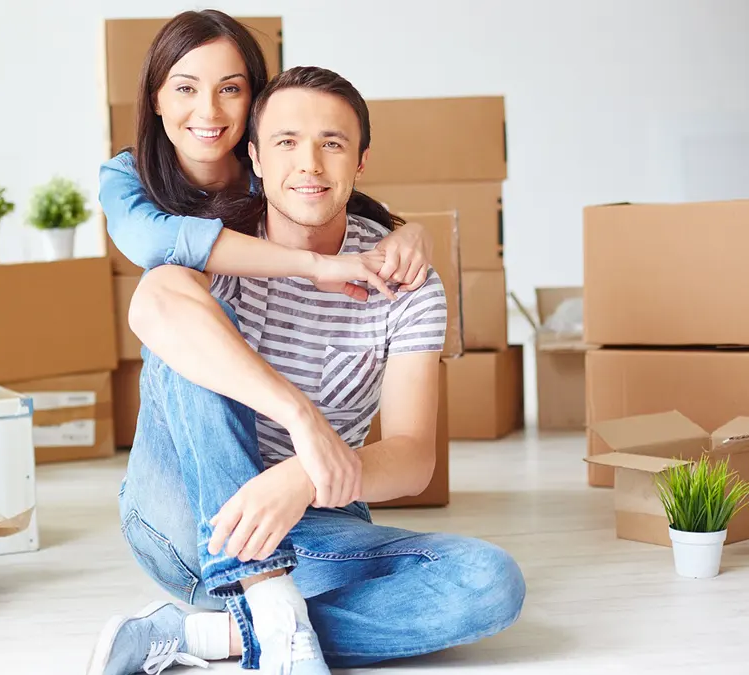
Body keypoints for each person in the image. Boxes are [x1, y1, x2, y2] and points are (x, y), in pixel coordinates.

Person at [85, 63, 526, 675]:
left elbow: (413, 459)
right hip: (185, 523)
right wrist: (302, 421)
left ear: (360, 161)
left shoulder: (404, 282)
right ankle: (261, 590)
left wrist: (297, 480)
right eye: (287, 143)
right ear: (256, 159)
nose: (310, 165)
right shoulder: (221, 247)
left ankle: (214, 635)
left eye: (332, 144)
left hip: (314, 527)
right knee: (189, 332)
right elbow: (156, 298)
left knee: (490, 582)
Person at [98, 9, 433, 302]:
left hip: (275, 350)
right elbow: (151, 241)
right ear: (155, 99)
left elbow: (344, 210)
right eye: (186, 89)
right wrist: (313, 265)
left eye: (230, 89)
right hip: (190, 355)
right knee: (164, 283)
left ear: (254, 100)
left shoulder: (271, 170)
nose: (208, 111)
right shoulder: (127, 175)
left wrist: (413, 232)